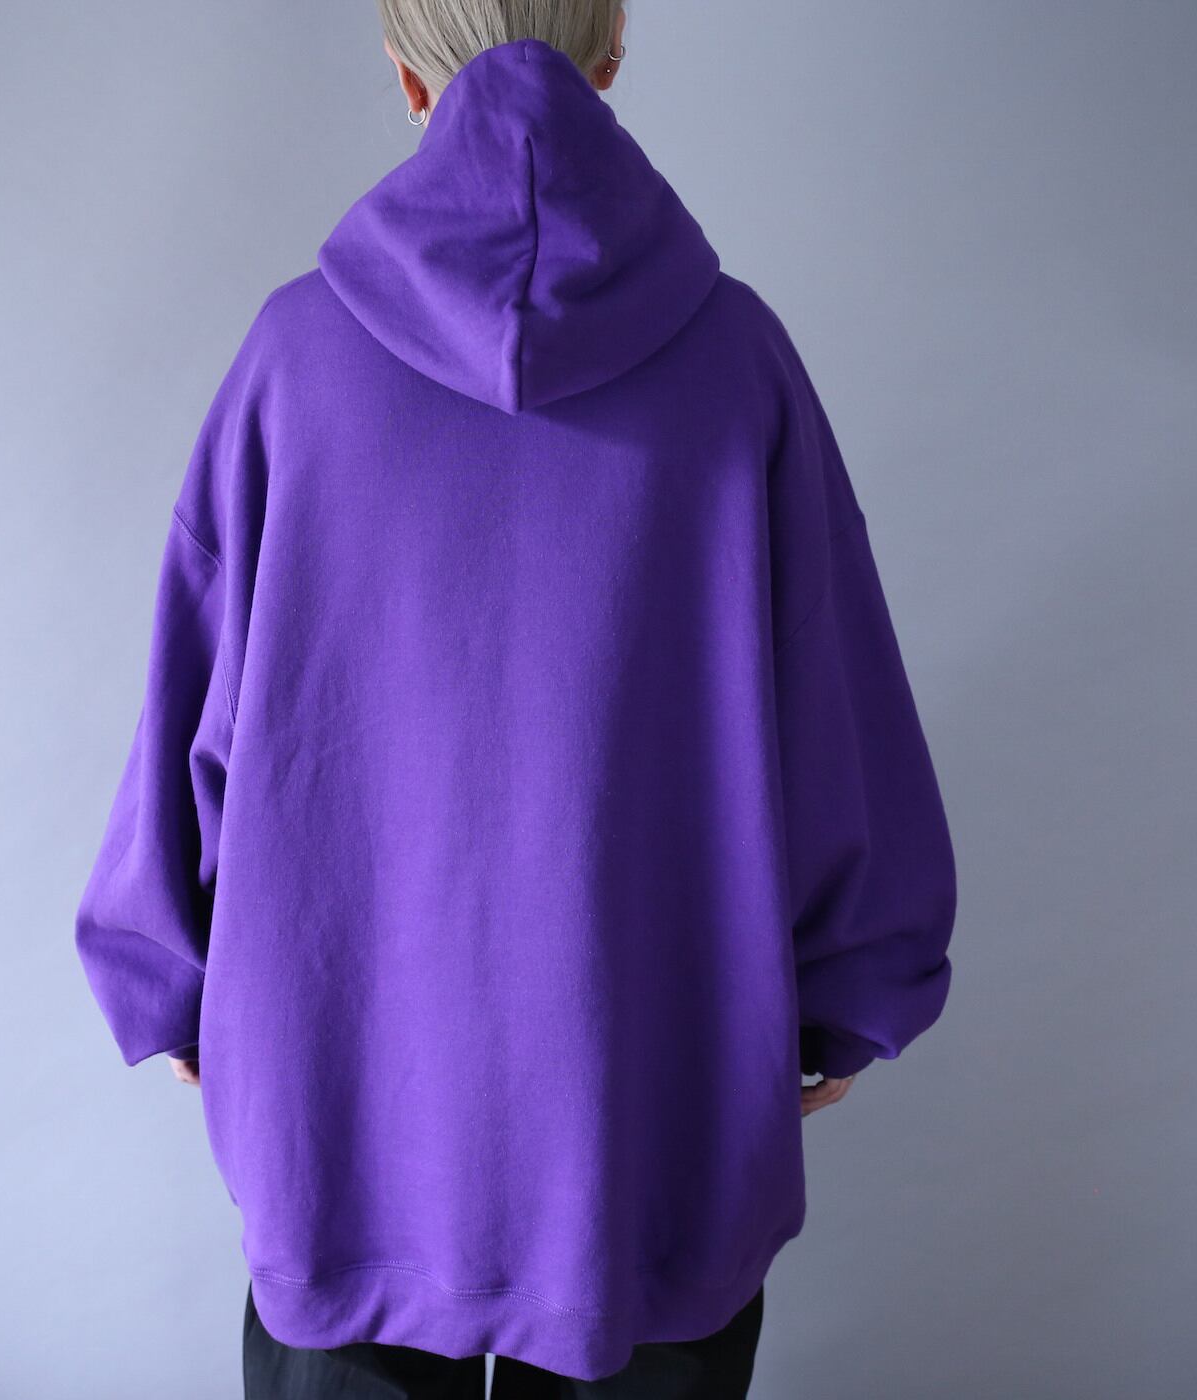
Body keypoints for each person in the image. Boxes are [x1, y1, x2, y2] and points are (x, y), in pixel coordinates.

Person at [73, 3, 957, 1396]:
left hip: (345, 1119)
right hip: (649, 1124)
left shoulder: (296, 360)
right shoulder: (737, 362)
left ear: (407, 78)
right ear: (612, 63)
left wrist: (172, 972)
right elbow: (831, 710)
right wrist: (853, 984)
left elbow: (199, 691)